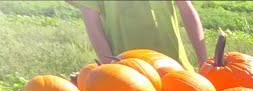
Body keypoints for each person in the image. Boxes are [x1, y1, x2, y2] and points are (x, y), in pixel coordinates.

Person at [71, 1, 207, 68]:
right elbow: (91, 21)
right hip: (127, 70)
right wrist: (110, 69)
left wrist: (204, 63)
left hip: (174, 65)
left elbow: (187, 9)